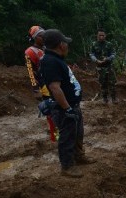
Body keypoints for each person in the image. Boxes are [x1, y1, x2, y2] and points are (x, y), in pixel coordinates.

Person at [40, 29, 95, 178]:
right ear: (61, 45)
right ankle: (67, 166)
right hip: (64, 108)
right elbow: (54, 87)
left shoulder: (56, 59)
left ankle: (79, 156)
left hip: (72, 106)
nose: (67, 45)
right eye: (66, 42)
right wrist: (67, 108)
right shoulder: (50, 61)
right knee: (67, 136)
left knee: (78, 133)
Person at [89, 29, 117, 104]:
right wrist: (96, 60)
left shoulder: (109, 44)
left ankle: (114, 98)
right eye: (100, 35)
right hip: (100, 67)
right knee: (102, 83)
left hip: (109, 66)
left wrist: (108, 58)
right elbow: (91, 54)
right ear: (97, 36)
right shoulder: (94, 44)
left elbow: (113, 54)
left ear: (105, 36)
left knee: (112, 82)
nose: (101, 37)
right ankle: (105, 99)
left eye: (103, 35)